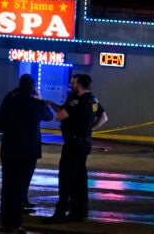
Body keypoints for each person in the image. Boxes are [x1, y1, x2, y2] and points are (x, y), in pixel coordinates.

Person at [44, 73, 108, 224]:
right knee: (80, 179)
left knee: (66, 179)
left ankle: (60, 214)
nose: (71, 84)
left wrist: (53, 108)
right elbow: (104, 117)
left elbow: (59, 116)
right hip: (84, 143)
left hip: (73, 145)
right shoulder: (93, 100)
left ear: (79, 84)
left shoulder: (75, 100)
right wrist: (89, 130)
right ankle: (79, 212)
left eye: (73, 82)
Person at [0, 74, 53, 233]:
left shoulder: (10, 100)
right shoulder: (36, 104)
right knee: (20, 188)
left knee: (7, 188)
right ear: (33, 88)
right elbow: (49, 116)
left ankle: (5, 223)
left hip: (9, 149)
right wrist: (40, 101)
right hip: (28, 151)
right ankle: (15, 224)